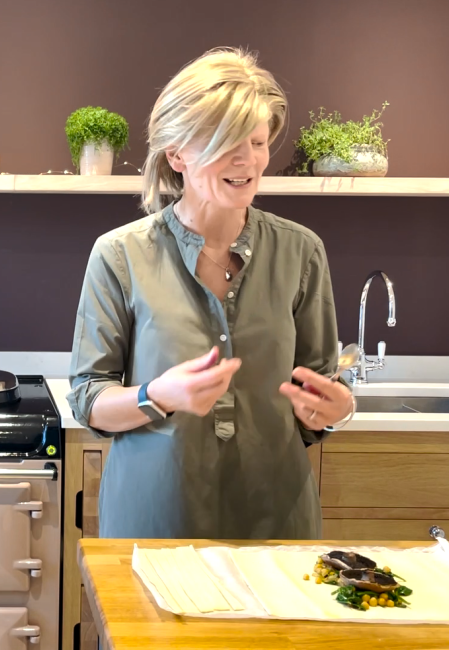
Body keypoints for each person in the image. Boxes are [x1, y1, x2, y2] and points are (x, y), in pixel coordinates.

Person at [66, 47, 355, 541]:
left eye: (258, 142)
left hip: (275, 520)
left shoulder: (301, 252)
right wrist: (157, 395)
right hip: (155, 519)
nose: (247, 162)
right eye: (225, 144)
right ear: (176, 154)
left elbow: (319, 391)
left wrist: (337, 410)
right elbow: (88, 400)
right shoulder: (120, 255)